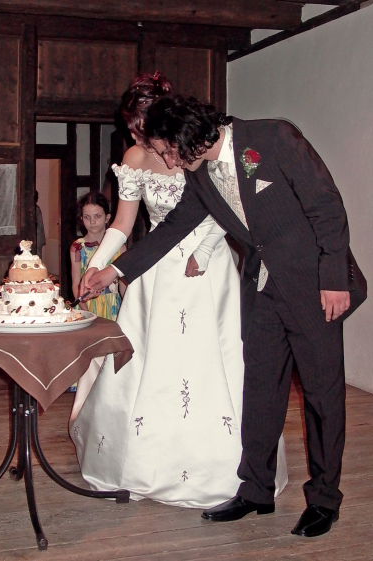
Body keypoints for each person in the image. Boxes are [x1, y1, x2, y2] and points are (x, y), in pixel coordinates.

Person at [85, 94, 366, 536]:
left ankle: (325, 499)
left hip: (314, 287)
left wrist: (333, 278)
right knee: (260, 390)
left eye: (166, 151)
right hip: (262, 291)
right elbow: (174, 227)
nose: (166, 162)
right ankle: (255, 490)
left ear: (186, 137)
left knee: (322, 396)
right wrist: (114, 271)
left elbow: (326, 206)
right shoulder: (200, 175)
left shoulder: (273, 137)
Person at [70, 73, 288, 508]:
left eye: (142, 128)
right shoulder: (134, 156)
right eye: (133, 129)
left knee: (212, 359)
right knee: (150, 359)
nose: (139, 137)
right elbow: (123, 224)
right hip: (155, 269)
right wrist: (96, 266)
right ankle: (140, 462)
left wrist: (205, 251)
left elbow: (225, 205)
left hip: (208, 266)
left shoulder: (192, 145)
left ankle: (227, 467)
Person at [70, 191, 124, 320]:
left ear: (107, 217)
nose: (92, 221)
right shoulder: (77, 247)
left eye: (97, 216)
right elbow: (76, 283)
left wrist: (127, 306)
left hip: (113, 305)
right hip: (87, 305)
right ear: (82, 219)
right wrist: (85, 310)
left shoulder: (120, 247)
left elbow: (123, 283)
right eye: (87, 217)